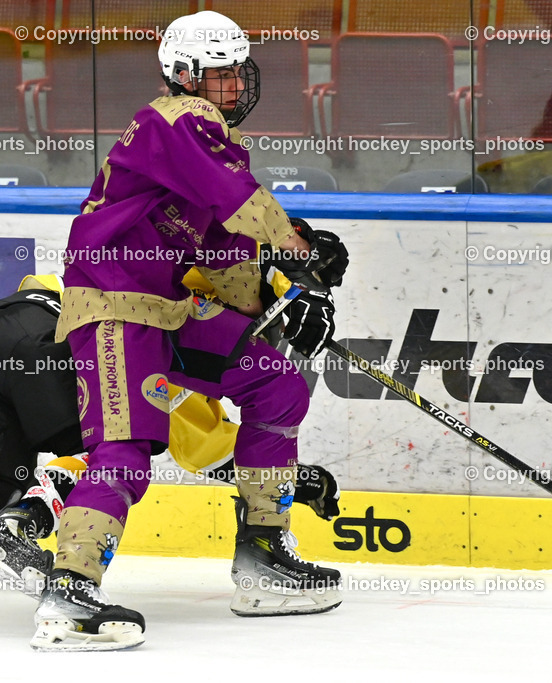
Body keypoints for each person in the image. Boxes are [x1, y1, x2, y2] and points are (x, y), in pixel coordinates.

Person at [32, 9, 350, 652]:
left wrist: (286, 300)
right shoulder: (177, 120)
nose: (235, 85)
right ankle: (68, 597)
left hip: (171, 309)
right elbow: (245, 204)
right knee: (125, 449)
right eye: (220, 73)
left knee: (277, 384)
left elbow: (230, 265)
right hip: (116, 305)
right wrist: (300, 248)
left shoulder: (211, 148)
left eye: (238, 72)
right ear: (184, 75)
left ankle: (264, 557)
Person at [0, 274, 342, 595]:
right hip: (63, 340)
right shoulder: (166, 340)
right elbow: (209, 453)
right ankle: (18, 529)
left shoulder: (157, 279)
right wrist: (295, 478)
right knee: (111, 449)